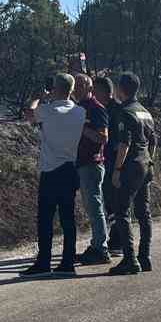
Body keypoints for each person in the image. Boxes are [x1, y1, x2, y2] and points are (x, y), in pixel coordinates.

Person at [20, 70, 85, 276]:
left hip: (51, 170)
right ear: (72, 90)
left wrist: (37, 97)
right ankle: (67, 261)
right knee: (68, 218)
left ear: (54, 88)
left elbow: (29, 115)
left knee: (46, 218)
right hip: (70, 168)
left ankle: (44, 261)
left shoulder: (48, 110)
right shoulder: (80, 112)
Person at [105, 72, 157, 276]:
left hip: (130, 167)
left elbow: (124, 144)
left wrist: (117, 170)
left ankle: (129, 259)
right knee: (144, 213)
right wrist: (150, 159)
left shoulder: (124, 112)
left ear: (121, 89)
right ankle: (145, 257)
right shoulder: (145, 112)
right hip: (146, 165)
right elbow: (153, 141)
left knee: (121, 211)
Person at [73, 64, 113, 265]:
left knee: (95, 206)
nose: (76, 89)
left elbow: (103, 137)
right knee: (91, 206)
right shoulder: (77, 108)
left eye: (80, 86)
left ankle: (101, 248)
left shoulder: (96, 108)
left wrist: (81, 128)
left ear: (89, 88)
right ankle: (97, 244)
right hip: (80, 163)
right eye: (74, 86)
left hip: (92, 164)